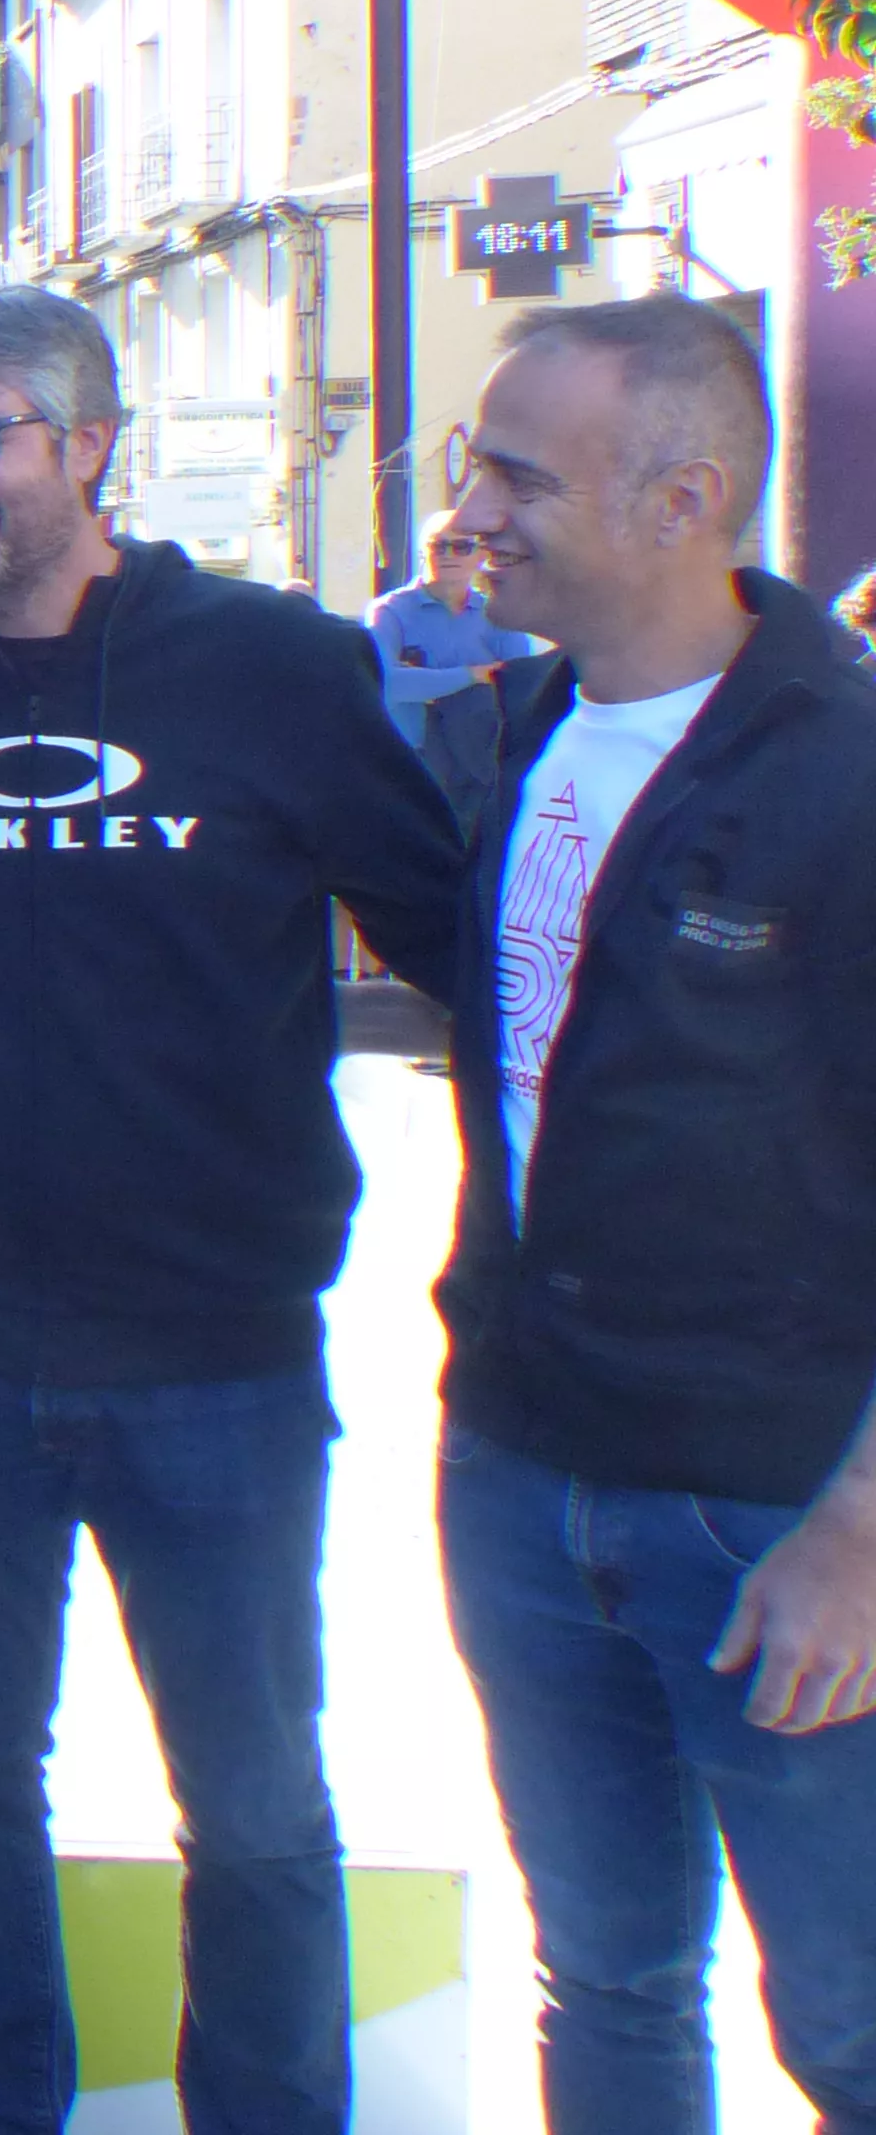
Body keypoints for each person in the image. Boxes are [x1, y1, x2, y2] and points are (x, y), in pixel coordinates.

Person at [0, 287, 460, 2135]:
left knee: (256, 1805)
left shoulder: (271, 665)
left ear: (87, 443)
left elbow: (449, 938)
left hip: (212, 1359)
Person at [428, 296, 876, 2133]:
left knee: (848, 2023)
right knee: (607, 1977)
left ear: (689, 496)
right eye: (477, 458)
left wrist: (860, 1524)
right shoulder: (510, 732)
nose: (474, 506)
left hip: (771, 1509)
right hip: (522, 1473)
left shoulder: (841, 777)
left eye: (519, 473)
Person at [365, 520, 540, 745]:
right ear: (422, 554)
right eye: (438, 546)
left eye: (462, 547)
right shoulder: (389, 611)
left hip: (483, 761)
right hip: (411, 760)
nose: (449, 554)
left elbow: (520, 686)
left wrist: (424, 683)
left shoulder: (500, 614)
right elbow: (385, 682)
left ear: (481, 555)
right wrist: (473, 675)